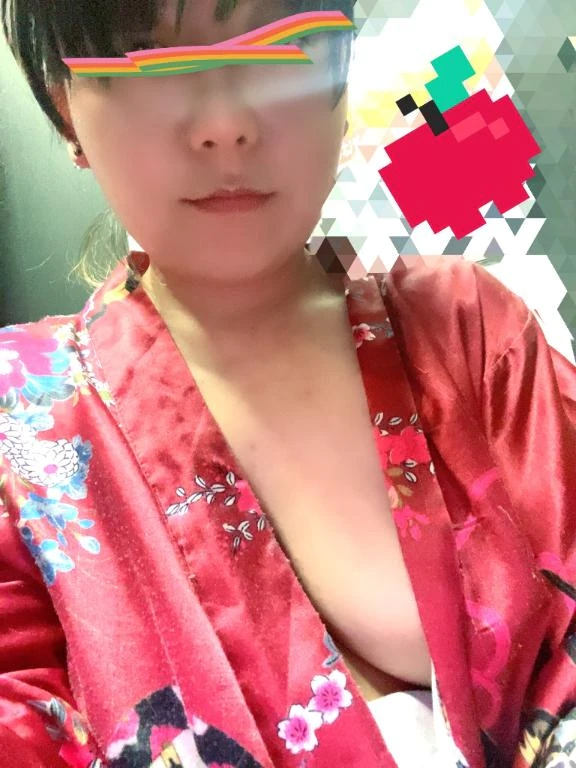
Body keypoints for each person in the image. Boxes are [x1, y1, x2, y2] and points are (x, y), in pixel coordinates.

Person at [1, 1, 575, 766]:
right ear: (66, 108)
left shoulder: (473, 331)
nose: (226, 124)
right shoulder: (20, 437)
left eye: (287, 46)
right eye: (143, 61)